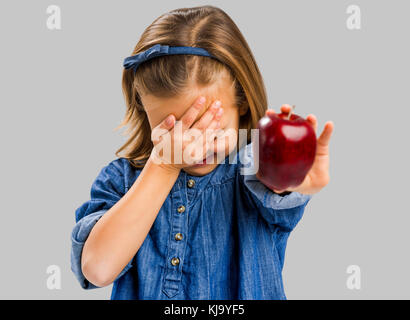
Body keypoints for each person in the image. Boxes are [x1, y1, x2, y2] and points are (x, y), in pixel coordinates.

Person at [70, 5, 334, 300]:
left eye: (212, 132)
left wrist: (286, 172)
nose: (194, 149)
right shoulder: (121, 180)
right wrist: (162, 165)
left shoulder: (251, 171)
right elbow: (98, 269)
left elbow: (273, 189)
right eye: (174, 133)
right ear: (145, 110)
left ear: (242, 103)